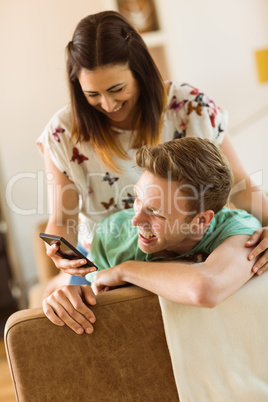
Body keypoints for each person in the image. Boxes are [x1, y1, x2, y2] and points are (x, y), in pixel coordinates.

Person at [37, 10, 268, 294]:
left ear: (140, 72)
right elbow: (62, 219)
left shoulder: (190, 107)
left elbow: (241, 186)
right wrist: (62, 251)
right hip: (107, 255)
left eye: (117, 89)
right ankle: (55, 283)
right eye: (92, 95)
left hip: (185, 247)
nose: (108, 105)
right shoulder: (62, 132)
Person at [43, 137, 262, 335]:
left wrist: (124, 270)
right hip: (94, 247)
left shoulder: (240, 230)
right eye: (137, 198)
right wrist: (67, 296)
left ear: (201, 221)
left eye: (156, 212)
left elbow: (204, 289)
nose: (135, 220)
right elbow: (94, 300)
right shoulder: (113, 235)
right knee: (55, 287)